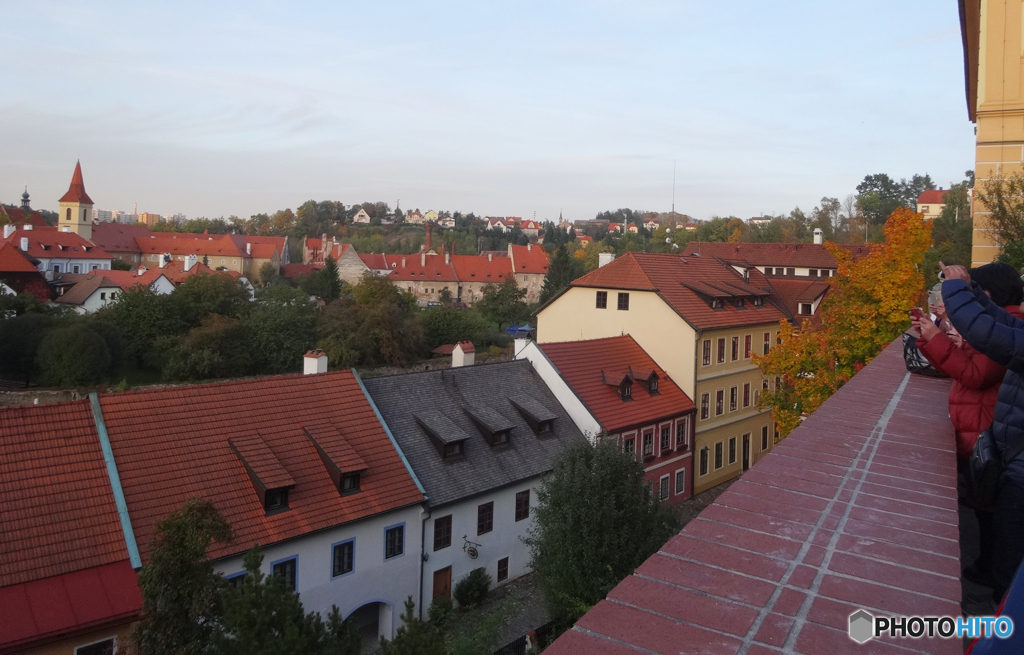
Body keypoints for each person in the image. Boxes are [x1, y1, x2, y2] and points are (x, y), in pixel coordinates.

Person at [913, 265, 1024, 588]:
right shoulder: (1012, 322)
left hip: (1001, 447)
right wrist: (934, 335)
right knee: (992, 525)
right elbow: (987, 322)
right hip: (995, 440)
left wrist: (957, 292)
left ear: (990, 293)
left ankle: (1003, 624)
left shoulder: (1013, 327)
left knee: (1006, 553)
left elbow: (977, 367)